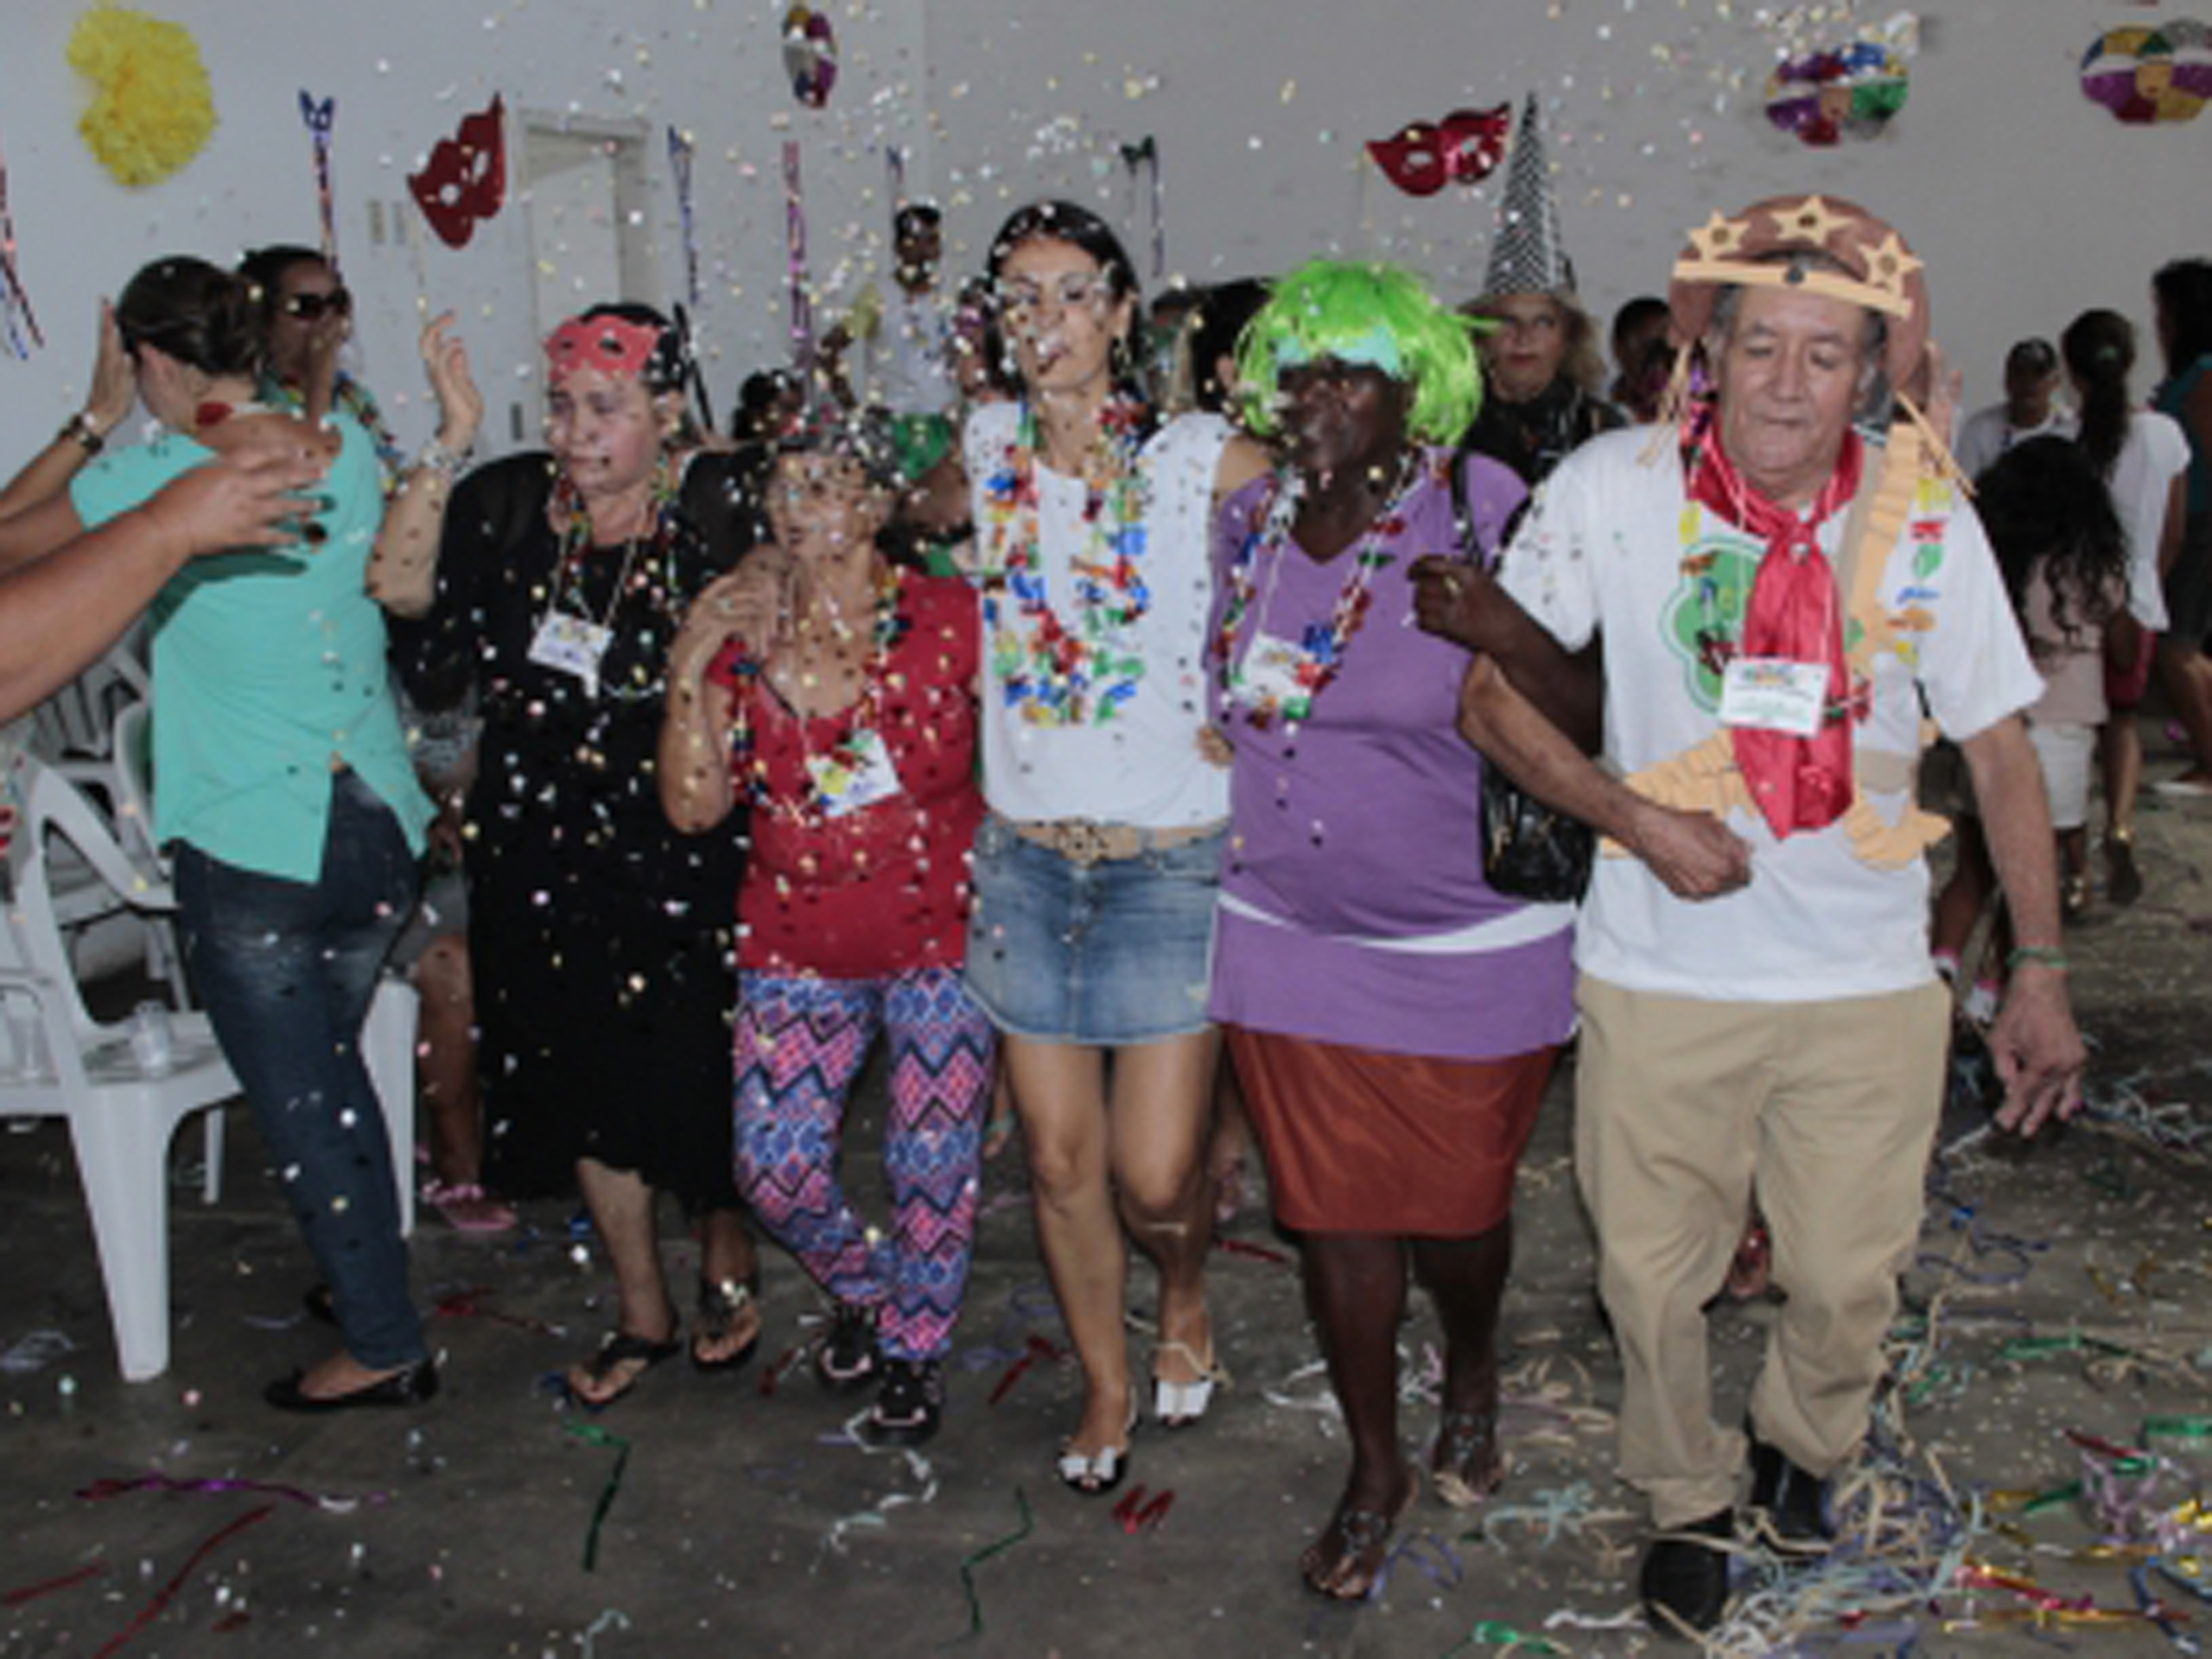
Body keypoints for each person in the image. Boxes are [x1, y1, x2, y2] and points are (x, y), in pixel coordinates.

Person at [1452, 195, 2087, 1635]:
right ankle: (1683, 1494)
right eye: (1763, 348)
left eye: (1826, 355)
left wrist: (2035, 966)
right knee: (1649, 1277)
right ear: (1707, 350)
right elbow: (1487, 695)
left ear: (1869, 374)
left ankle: (1805, 1445)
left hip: (1865, 980)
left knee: (1848, 1274)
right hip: (1659, 972)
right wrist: (1635, 822)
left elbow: (1995, 747)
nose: (1789, 384)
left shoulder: (1923, 516)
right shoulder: (1615, 488)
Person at [0, 258, 441, 1411]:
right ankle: (365, 1281)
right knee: (331, 1075)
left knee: (304, 1100)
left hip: (257, 841)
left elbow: (2, 536)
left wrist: (89, 422)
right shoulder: (337, 441)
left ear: (151, 358)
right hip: (375, 823)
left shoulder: (159, 479)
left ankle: (385, 1339)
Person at [1207, 260, 1575, 1599]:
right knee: (1338, 1223)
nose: (1312, 397)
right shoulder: (1243, 523)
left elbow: (1597, 712)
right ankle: (1377, 1466)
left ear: (1416, 394)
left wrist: (1506, 629)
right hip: (1285, 935)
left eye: (1346, 372)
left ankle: (1469, 1363)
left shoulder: (1488, 510)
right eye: (1294, 372)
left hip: (1466, 944)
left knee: (1459, 1212)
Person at [389, 303, 762, 1407]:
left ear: (665, 414)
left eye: (606, 408)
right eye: (561, 405)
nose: (574, 431)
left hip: (677, 839)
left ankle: (724, 1233)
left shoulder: (708, 511)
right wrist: (451, 433)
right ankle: (641, 1310)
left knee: (691, 1061)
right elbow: (400, 590)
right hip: (535, 839)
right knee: (580, 1077)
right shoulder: (507, 507)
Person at [963, 199, 1268, 1493]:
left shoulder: (1204, 453)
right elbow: (866, 535)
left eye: (1073, 292)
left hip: (1168, 859)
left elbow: (1333, 555)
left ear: (1125, 312)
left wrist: (1253, 702)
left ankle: (1183, 1283)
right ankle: (1102, 1383)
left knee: (1154, 1174)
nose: (1048, 323)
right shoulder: (984, 447)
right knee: (1058, 1161)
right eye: (1019, 299)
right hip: (1028, 859)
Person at [661, 410, 991, 1446]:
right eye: (787, 487)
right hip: (792, 941)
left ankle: (916, 1351)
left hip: (942, 933)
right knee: (775, 1168)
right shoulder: (744, 636)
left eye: (832, 484)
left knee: (932, 1161)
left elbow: (1040, 741)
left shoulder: (951, 615)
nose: (805, 509)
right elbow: (691, 810)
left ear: (880, 503)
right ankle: (875, 1290)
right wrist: (690, 652)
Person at [1931, 437, 2133, 1003]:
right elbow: (2122, 654)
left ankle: (1940, 979)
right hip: (2063, 735)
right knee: (2028, 882)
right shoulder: (2092, 567)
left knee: (1971, 876)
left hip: (1989, 732)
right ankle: (1992, 994)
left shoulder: (1992, 562)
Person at [2057, 309, 2190, 902]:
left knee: (2070, 732)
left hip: (2072, 600)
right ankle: (2122, 822)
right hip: (2137, 598)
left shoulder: (2061, 439)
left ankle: (2077, 865)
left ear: (2071, 372)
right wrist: (2145, 584)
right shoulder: (2164, 435)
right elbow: (2174, 531)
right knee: (2125, 721)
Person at [1458, 95, 1623, 484]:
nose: (1524, 338)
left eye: (1543, 322)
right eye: (1507, 322)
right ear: (1481, 335)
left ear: (1568, 337)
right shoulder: (1448, 429)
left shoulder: (1601, 430)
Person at [236, 245, 405, 484]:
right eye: (307, 308)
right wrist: (321, 376)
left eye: (337, 303)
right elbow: (314, 476)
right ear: (263, 319)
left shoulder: (353, 396)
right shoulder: (254, 398)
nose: (328, 319)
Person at [2148, 258, 2212, 798]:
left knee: (2177, 650)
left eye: (2164, 309)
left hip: (2199, 522)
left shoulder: (2205, 376)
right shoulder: (2188, 374)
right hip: (2186, 519)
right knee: (2183, 650)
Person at [1952, 337, 2072, 481]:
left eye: (2038, 375)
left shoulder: (2070, 430)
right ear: (2006, 381)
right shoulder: (1979, 429)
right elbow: (1964, 488)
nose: (2029, 382)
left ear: (2055, 382)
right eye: (2020, 374)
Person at [1609, 296, 1675, 425]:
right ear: (1619, 349)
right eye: (1648, 347)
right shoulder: (1600, 415)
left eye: (1669, 347)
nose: (1659, 357)